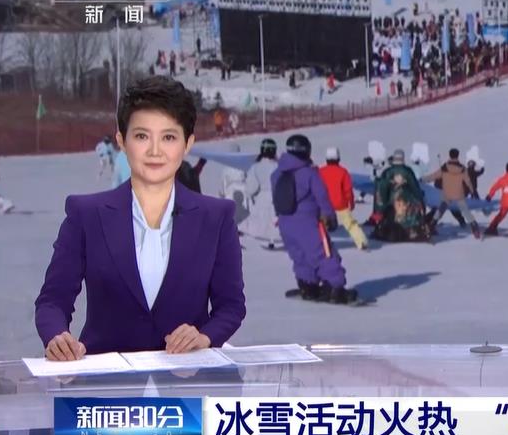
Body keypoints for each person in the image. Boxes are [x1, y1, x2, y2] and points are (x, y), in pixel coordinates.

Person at [34, 76, 246, 360]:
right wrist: (57, 336)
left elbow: (231, 306)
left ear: (187, 144)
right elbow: (52, 301)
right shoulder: (85, 215)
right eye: (142, 136)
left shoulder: (217, 218)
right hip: (106, 379)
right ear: (122, 141)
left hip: (188, 376)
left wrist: (204, 336)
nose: (155, 151)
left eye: (169, 137)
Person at [272, 134, 355, 303]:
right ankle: (335, 289)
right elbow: (322, 196)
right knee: (323, 254)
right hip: (307, 223)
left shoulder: (277, 173)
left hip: (285, 223)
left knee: (300, 255)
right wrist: (329, 216)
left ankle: (308, 286)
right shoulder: (309, 173)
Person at [373, 149, 430, 242]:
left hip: (391, 205)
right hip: (406, 204)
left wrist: (381, 206)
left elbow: (382, 188)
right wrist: (420, 197)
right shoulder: (408, 171)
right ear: (403, 158)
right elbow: (415, 187)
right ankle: (411, 232)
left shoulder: (387, 172)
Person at [423, 148, 481, 238]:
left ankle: (431, 225)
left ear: (450, 155)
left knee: (440, 210)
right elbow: (468, 181)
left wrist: (422, 179)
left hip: (447, 194)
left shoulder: (445, 167)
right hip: (459, 194)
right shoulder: (462, 168)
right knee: (465, 211)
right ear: (458, 156)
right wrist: (473, 191)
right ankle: (475, 228)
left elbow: (434, 176)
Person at [319, 147, 369, 250]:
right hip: (341, 204)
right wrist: (351, 202)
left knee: (321, 226)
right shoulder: (343, 172)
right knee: (351, 224)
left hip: (324, 204)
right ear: (338, 158)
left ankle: (321, 243)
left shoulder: (320, 171)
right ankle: (361, 242)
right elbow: (348, 189)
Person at [239, 139, 282, 250]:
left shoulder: (256, 167)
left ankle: (267, 241)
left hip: (263, 198)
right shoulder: (279, 166)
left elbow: (251, 188)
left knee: (262, 222)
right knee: (276, 221)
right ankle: (276, 240)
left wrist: (250, 193)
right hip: (278, 197)